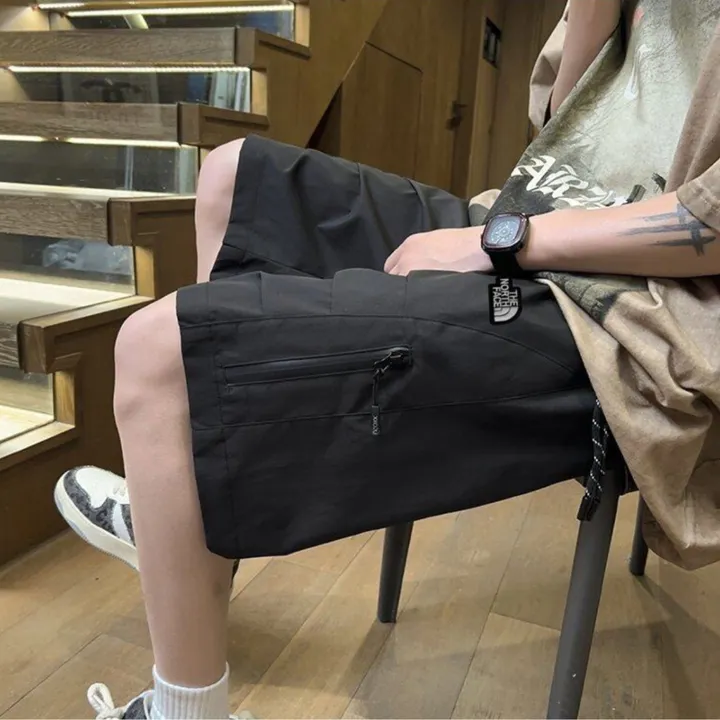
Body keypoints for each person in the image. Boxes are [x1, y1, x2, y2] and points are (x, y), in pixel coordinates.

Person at [53, 0, 720, 717]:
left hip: (635, 305)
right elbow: (564, 128)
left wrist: (502, 243)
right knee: (234, 175)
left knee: (160, 350)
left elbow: (707, 227)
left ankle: (187, 706)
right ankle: (196, 536)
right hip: (538, 219)